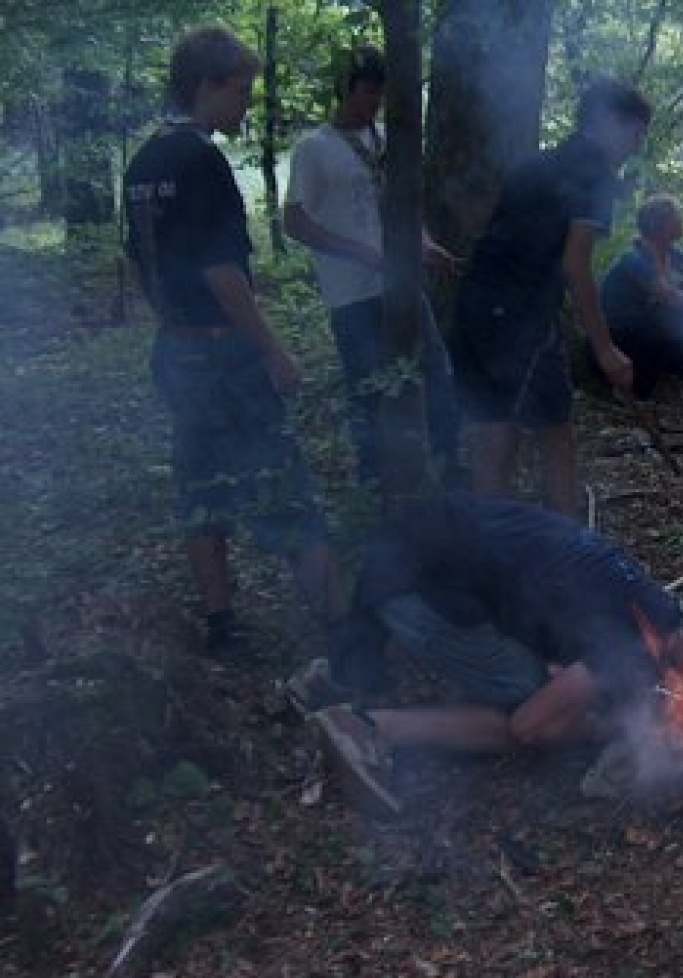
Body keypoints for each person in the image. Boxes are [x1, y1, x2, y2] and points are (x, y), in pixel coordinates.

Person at [305, 492, 683, 813]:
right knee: (528, 707)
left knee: (550, 688)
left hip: (413, 542)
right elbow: (530, 727)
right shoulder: (640, 641)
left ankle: (343, 670)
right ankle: (369, 728)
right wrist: (610, 730)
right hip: (413, 588)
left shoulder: (652, 600)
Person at [124, 27, 338, 653]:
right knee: (283, 484)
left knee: (200, 487)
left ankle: (221, 625)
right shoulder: (202, 161)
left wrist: (173, 322)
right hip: (223, 356)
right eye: (241, 90)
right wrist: (274, 350)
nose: (247, 104)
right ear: (206, 86)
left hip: (176, 349)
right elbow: (221, 271)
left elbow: (138, 261)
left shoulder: (145, 161)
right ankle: (342, 629)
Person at [451, 78, 651, 516]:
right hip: (516, 319)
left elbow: (498, 231)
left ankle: (510, 540)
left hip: (480, 306)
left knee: (515, 430)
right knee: (529, 437)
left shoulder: (538, 162)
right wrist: (605, 349)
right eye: (635, 133)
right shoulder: (593, 176)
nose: (635, 146)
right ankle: (551, 543)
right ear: (607, 122)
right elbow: (576, 266)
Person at [284, 44, 462, 484]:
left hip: (401, 283)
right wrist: (360, 253)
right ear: (344, 89)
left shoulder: (387, 138)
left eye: (381, 92)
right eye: (367, 91)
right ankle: (374, 481)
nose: (375, 101)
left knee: (435, 370)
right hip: (350, 292)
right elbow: (295, 222)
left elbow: (403, 206)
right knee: (367, 386)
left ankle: (447, 464)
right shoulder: (314, 148)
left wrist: (425, 243)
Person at [598, 194, 683, 400]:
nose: (682, 222)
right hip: (620, 335)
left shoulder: (670, 251)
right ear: (661, 226)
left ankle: (679, 373)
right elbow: (680, 301)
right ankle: (635, 386)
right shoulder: (635, 260)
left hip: (646, 319)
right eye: (677, 219)